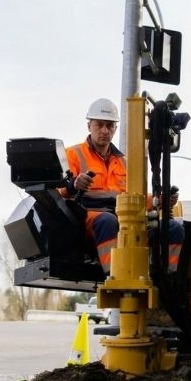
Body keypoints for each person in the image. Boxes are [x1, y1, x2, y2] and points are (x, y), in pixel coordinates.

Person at [60, 98, 125, 275]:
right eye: (99, 125)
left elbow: (136, 196)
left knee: (168, 226)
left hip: (121, 216)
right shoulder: (73, 154)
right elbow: (58, 191)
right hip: (86, 216)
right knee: (108, 221)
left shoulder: (124, 162)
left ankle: (169, 277)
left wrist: (158, 200)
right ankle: (114, 275)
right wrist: (73, 185)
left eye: (110, 126)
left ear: (115, 129)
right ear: (89, 126)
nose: (105, 130)